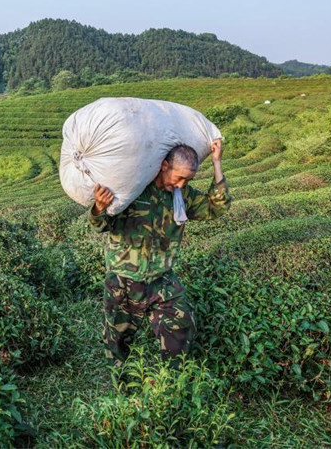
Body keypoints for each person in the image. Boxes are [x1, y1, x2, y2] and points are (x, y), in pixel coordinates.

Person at [88, 140, 231, 373]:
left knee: (182, 323)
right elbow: (101, 225)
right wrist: (98, 208)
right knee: (118, 339)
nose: (181, 184)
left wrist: (216, 162)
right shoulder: (134, 189)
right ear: (164, 165)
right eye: (179, 177)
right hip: (124, 279)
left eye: (188, 180)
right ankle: (120, 385)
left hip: (161, 278)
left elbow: (217, 207)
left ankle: (172, 380)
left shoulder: (181, 195)